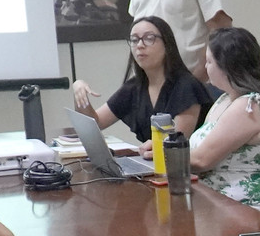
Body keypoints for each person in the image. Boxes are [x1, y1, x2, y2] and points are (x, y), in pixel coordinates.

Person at [68, 13, 208, 144]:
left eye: (149, 38)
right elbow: (95, 124)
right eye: (134, 40)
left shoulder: (186, 85)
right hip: (152, 163)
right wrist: (79, 92)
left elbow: (175, 144)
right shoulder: (134, 87)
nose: (140, 45)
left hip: (184, 166)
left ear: (167, 44)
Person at [187, 27, 260, 209]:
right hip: (211, 201)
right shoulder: (225, 100)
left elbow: (201, 161)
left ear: (227, 67)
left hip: (237, 209)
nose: (206, 67)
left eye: (209, 61)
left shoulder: (248, 108)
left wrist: (163, 155)